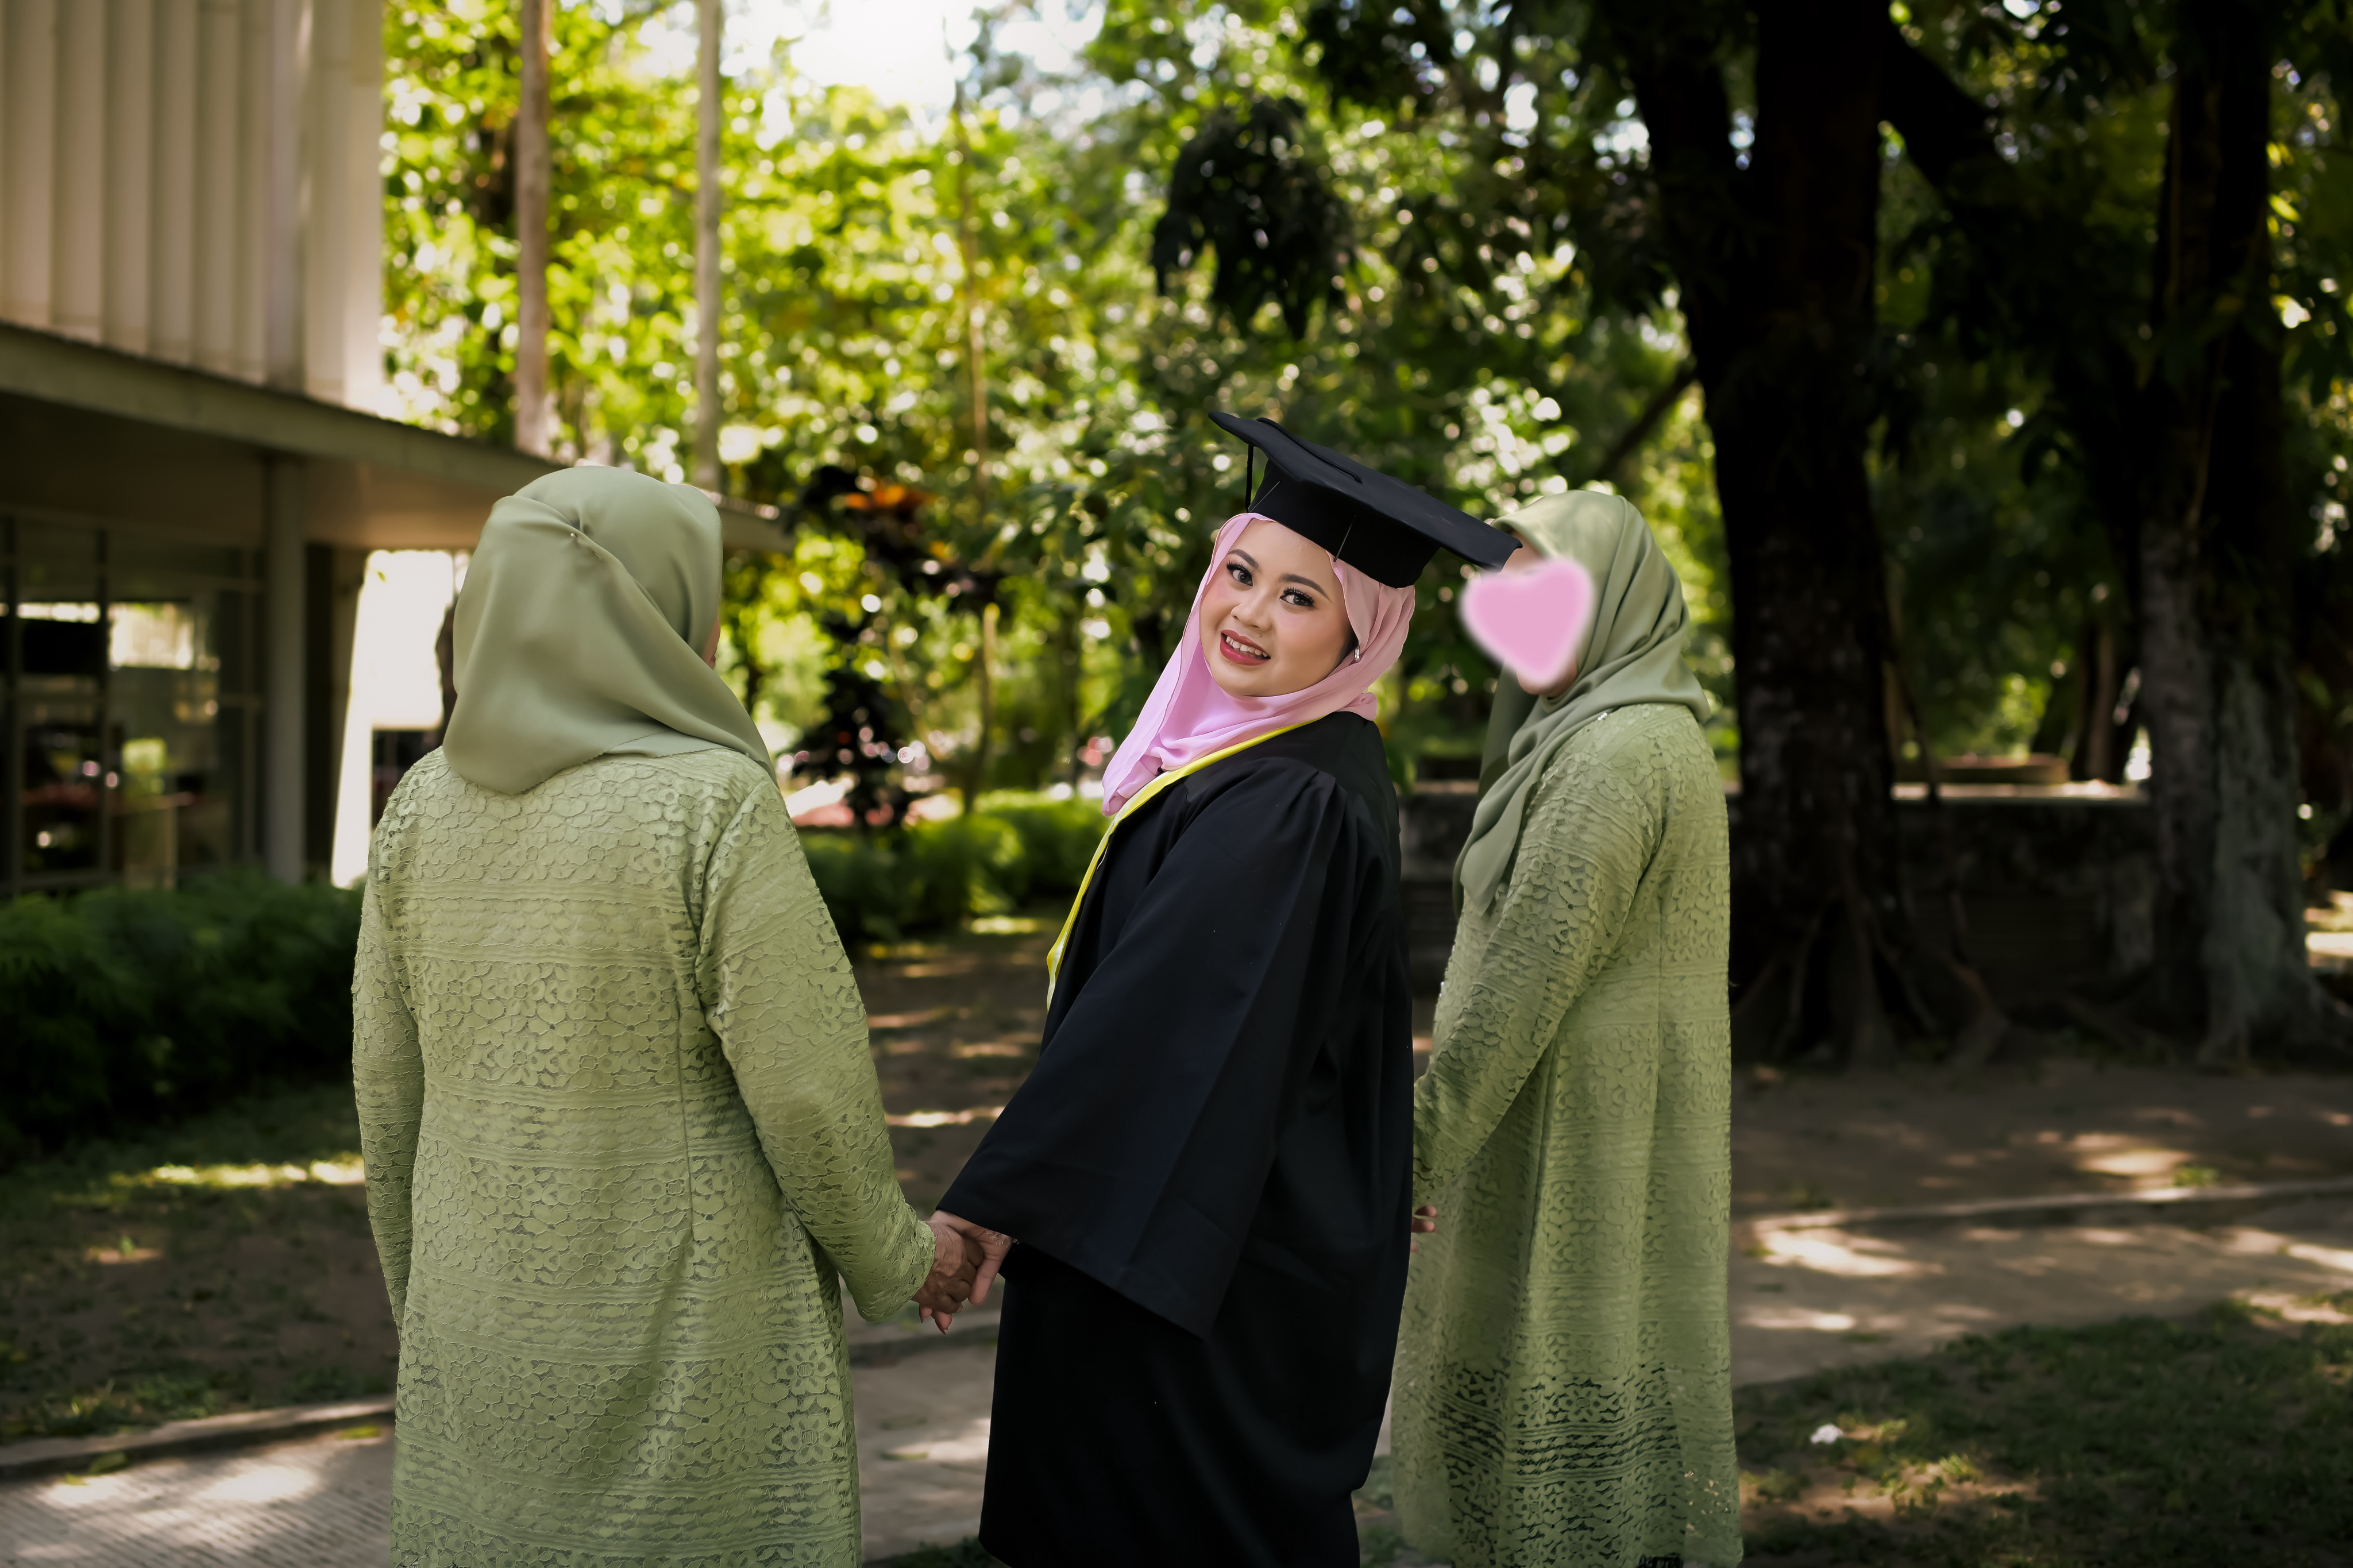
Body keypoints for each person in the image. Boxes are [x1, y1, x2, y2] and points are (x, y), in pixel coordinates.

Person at [353, 466, 980, 1568]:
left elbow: (387, 1089)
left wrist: (429, 1303)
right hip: (692, 1344)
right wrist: (904, 1258)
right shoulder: (710, 801)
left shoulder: (419, 808)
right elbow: (804, 1087)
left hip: (479, 1332)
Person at [931, 414, 1513, 1568]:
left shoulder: (1293, 797)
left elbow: (1163, 1027)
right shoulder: (1278, 758)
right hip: (1204, 1222)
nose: (1247, 614)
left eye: (1300, 598)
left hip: (1201, 1266)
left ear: (1360, 632)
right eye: (1240, 574)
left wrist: (994, 1201)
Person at [1389, 489, 1741, 1567]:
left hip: (1572, 1129)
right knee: (1598, 1384)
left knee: (1557, 1408)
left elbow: (1520, 987)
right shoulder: (1626, 732)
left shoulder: (1611, 759)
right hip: (1597, 1118)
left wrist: (1404, 1155)